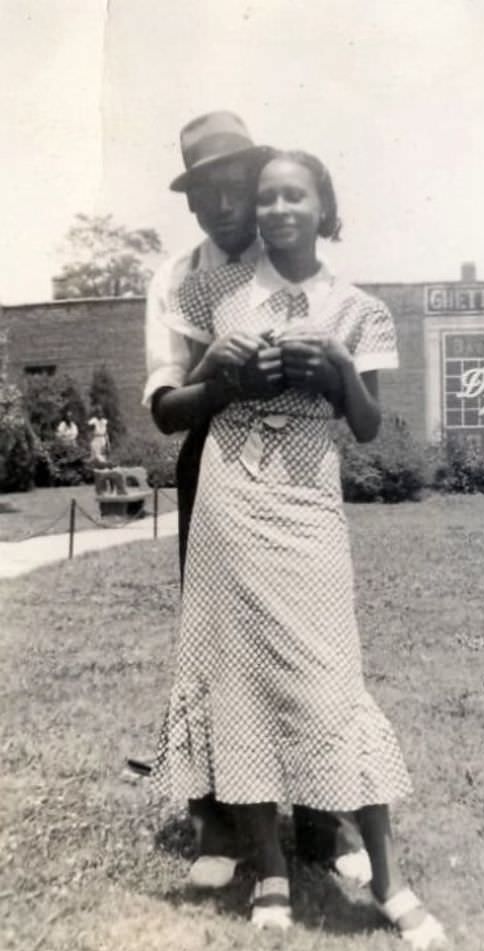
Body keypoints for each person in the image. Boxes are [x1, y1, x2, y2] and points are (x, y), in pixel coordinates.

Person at [151, 148, 446, 950]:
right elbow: (184, 389)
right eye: (269, 197)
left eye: (296, 196)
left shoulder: (360, 308)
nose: (279, 209)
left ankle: (387, 879)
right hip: (229, 499)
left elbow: (368, 423)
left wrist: (340, 366)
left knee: (330, 676)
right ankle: (271, 867)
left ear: (324, 208)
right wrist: (221, 365)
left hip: (308, 503)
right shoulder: (213, 288)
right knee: (238, 677)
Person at [142, 111, 369, 890]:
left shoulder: (298, 257)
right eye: (205, 192)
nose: (227, 203)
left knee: (308, 634)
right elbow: (166, 409)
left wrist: (323, 367)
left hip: (298, 464)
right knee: (217, 642)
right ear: (192, 203)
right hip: (214, 456)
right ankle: (224, 823)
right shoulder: (180, 279)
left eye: (237, 182)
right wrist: (217, 374)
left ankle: (322, 822)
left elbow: (352, 390)